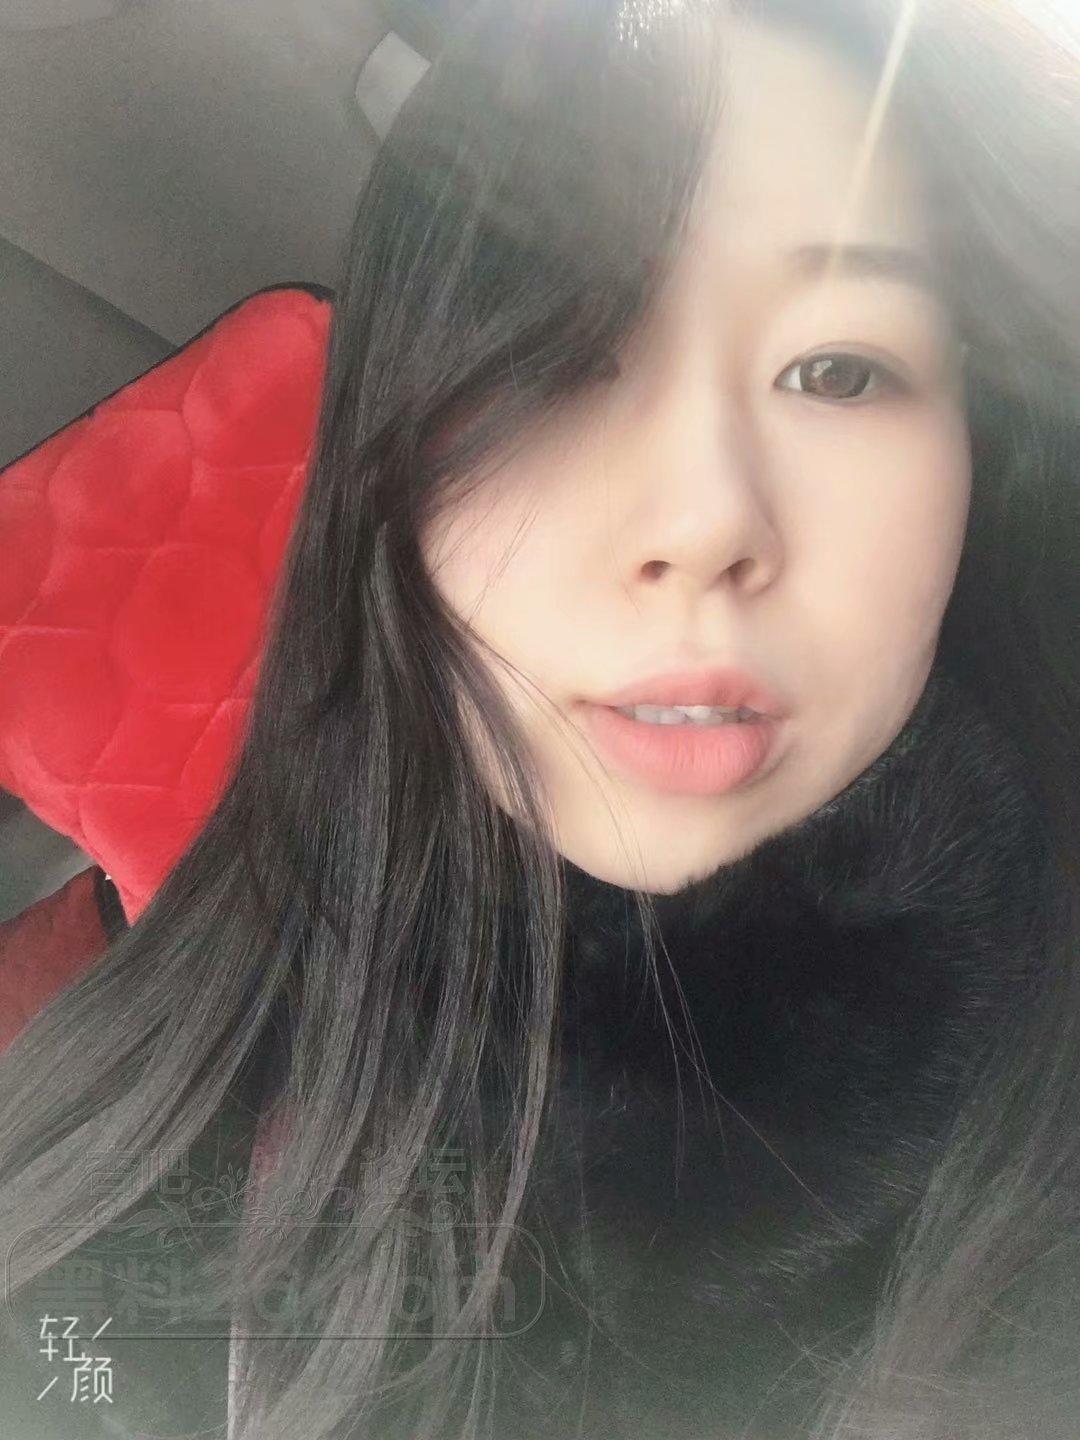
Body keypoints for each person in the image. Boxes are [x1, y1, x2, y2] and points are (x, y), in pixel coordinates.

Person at [1, 0, 1078, 1436]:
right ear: (392, 474)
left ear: (986, 461)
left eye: (837, 370)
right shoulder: (139, 1135)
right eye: (555, 362)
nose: (703, 522)